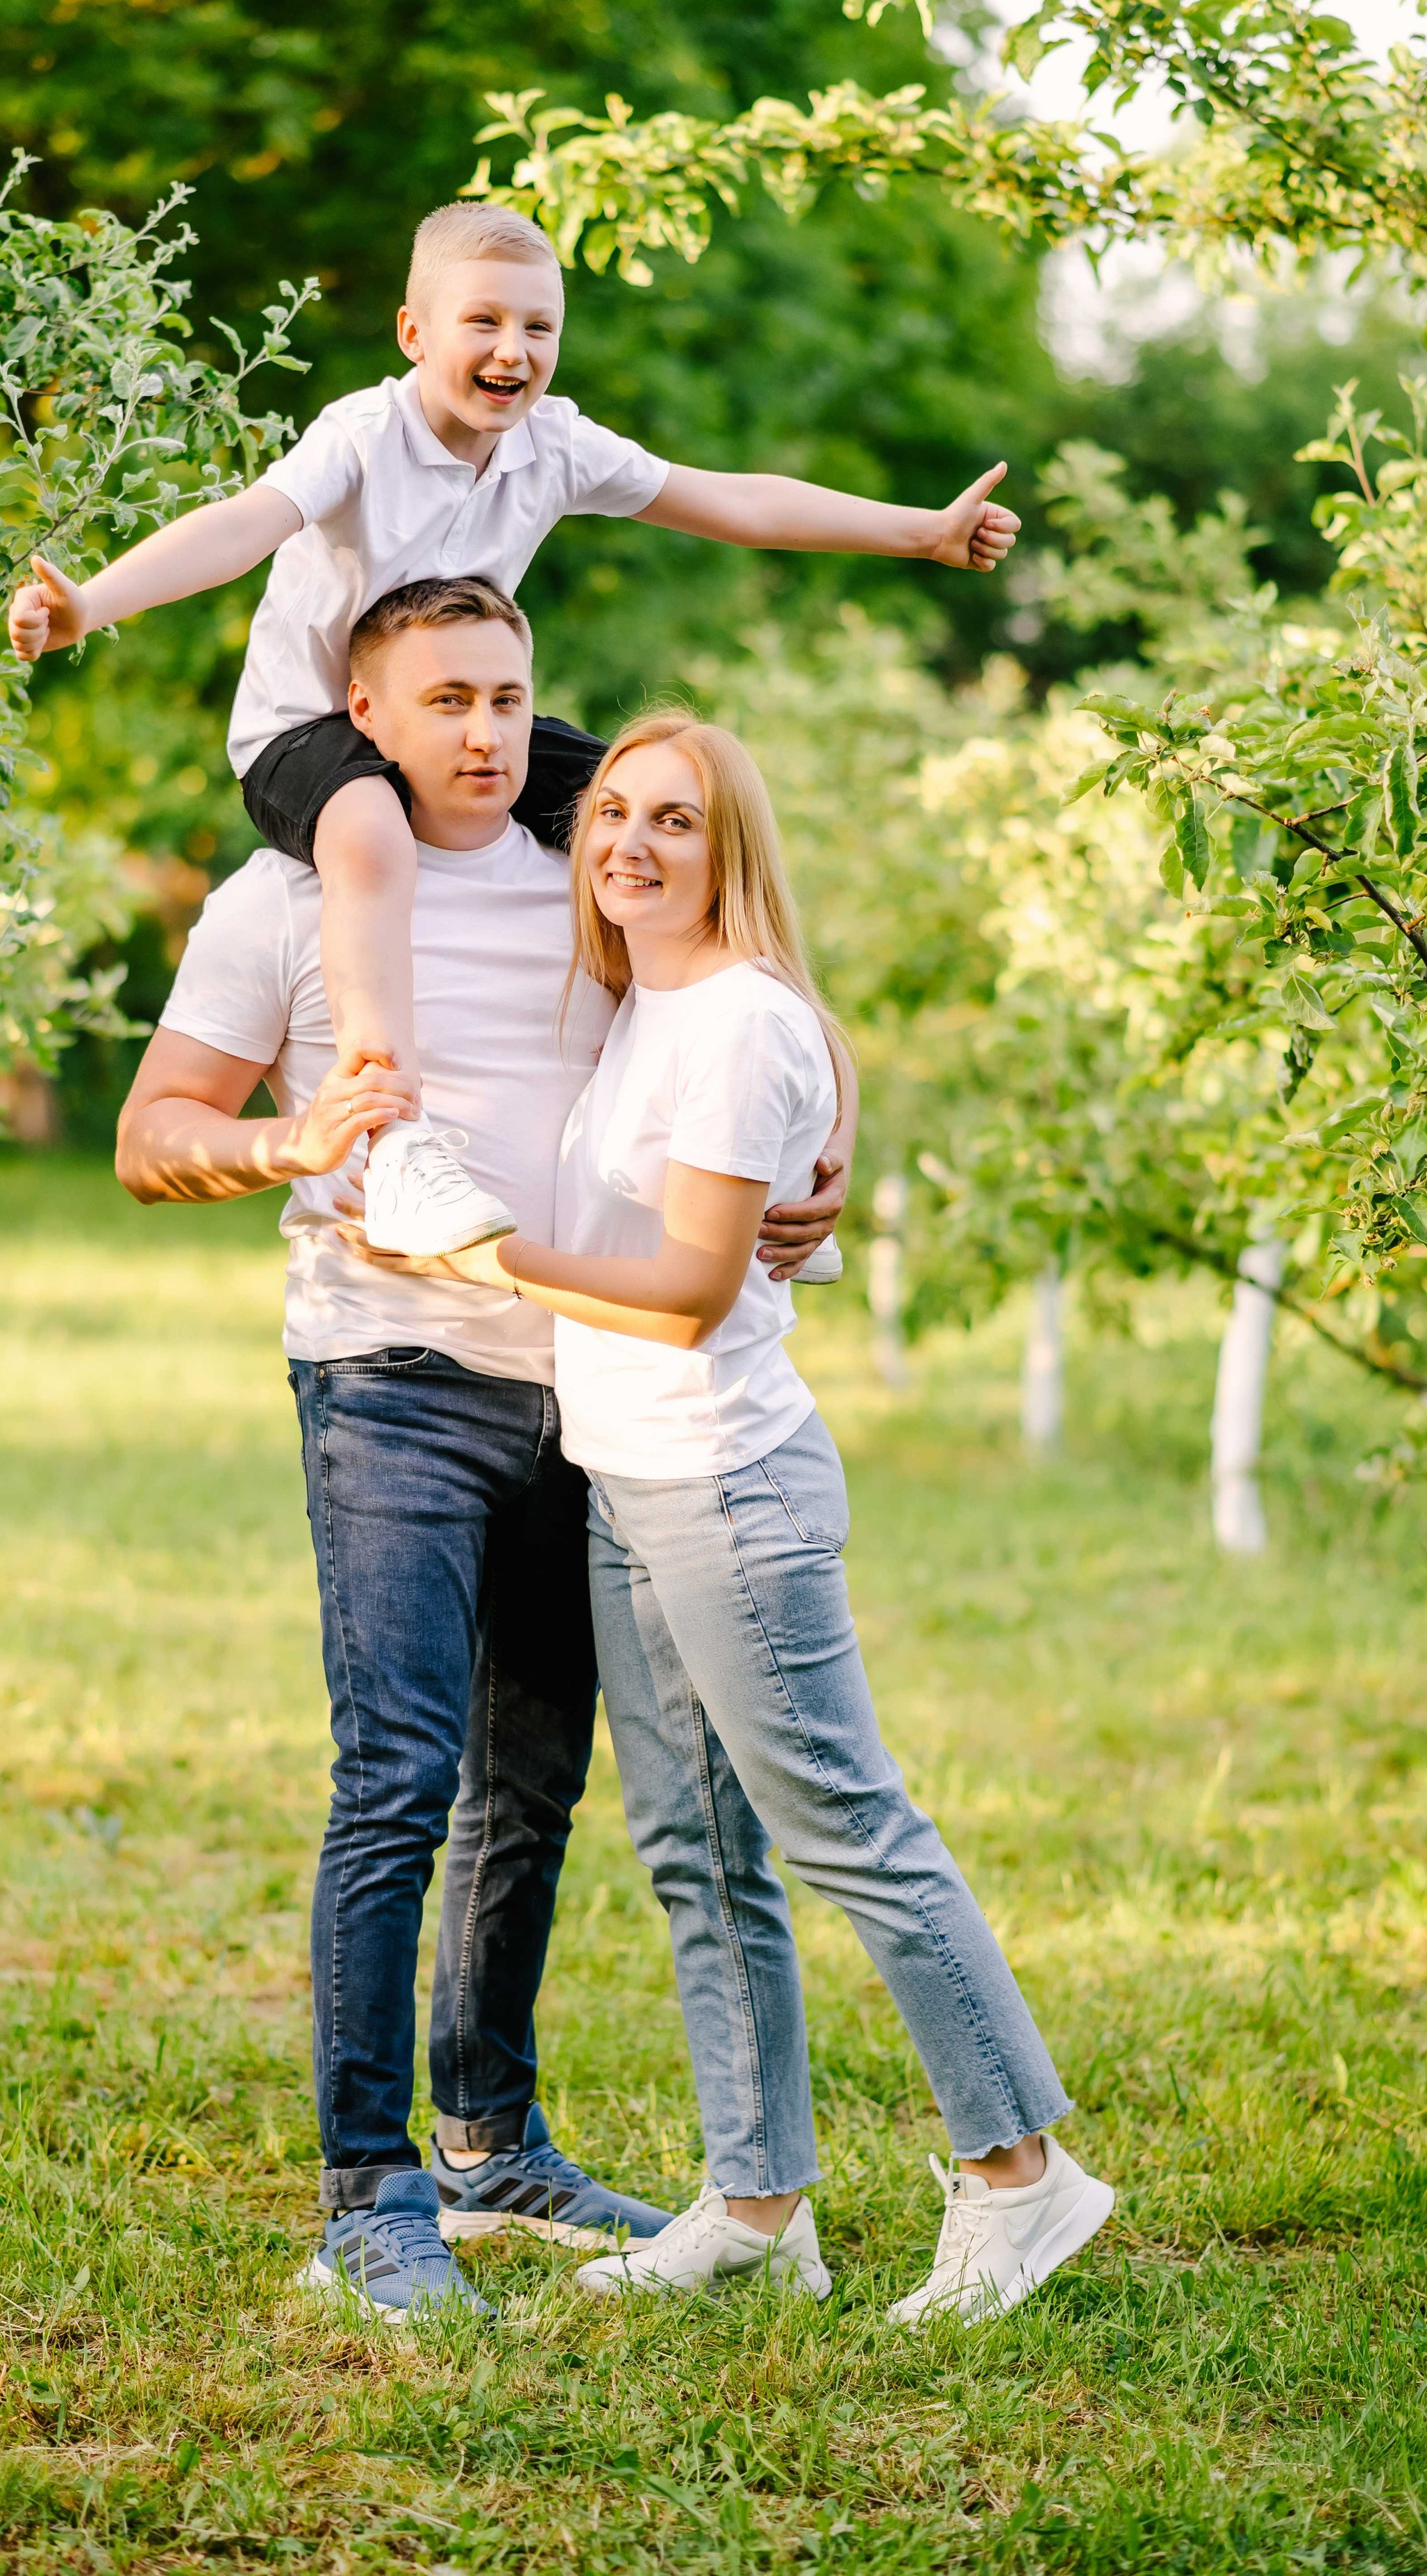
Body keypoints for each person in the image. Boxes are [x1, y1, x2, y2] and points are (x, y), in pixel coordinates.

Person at [114, 582, 849, 2322]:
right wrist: (291, 1139)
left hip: (594, 1388)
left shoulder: (590, 888)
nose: (484, 731)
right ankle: (368, 2199)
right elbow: (150, 1136)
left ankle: (488, 2137)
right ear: (360, 721)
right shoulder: (282, 904)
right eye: (443, 698)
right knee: (396, 1777)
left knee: (531, 1783)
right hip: (389, 1380)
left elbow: (747, 1026)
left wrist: (814, 1186)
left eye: (509, 697)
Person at [381, 713, 1115, 2322]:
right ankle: (757, 2203)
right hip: (627, 1477)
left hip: (724, 1478)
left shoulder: (724, 1025)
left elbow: (692, 1288)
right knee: (697, 1855)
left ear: (731, 855)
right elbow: (803, 1053)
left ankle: (1021, 2175)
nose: (630, 843)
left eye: (676, 824)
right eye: (614, 815)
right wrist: (833, 1116)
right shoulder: (660, 1002)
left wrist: (477, 1255)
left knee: (847, 1829)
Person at [12, 198, 1016, 1268]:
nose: (513, 350)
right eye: (483, 323)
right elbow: (246, 527)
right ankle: (393, 1142)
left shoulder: (556, 445)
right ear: (414, 334)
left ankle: (786, 1115)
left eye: (539, 328)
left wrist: (923, 533)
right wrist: (94, 606)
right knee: (370, 831)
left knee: (666, 811)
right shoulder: (362, 437)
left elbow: (731, 503)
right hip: (310, 734)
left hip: (467, 721)